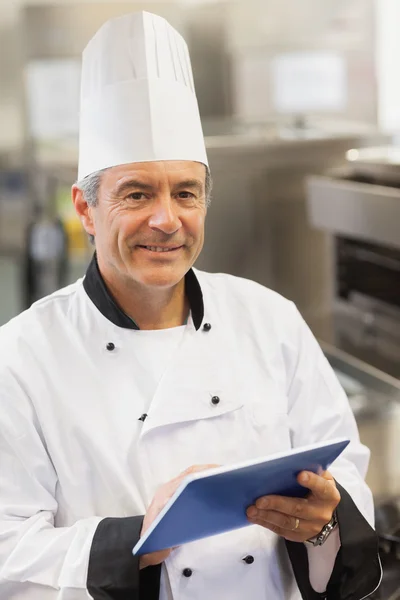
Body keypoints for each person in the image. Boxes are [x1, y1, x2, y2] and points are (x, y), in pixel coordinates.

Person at [0, 11, 381, 600]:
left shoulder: (270, 317)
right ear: (84, 208)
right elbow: (7, 547)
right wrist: (133, 542)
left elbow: (346, 472)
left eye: (185, 193)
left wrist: (326, 522)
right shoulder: (21, 356)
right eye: (136, 194)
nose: (166, 219)